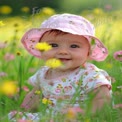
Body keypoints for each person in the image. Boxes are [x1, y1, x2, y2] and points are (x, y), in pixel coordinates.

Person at [9, 13, 112, 121]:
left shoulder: (90, 74)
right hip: (49, 118)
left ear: (89, 52)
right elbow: (34, 96)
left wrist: (85, 114)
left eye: (74, 46)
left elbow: (102, 99)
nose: (62, 51)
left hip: (78, 118)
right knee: (14, 117)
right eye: (53, 45)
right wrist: (23, 111)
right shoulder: (44, 73)